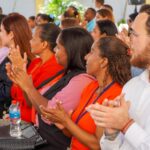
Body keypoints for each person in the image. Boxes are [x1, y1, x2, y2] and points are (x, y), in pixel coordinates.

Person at [7, 27, 94, 150]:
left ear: (71, 51)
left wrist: (28, 86)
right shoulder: (67, 73)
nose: (54, 50)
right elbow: (31, 101)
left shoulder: (81, 79)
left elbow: (49, 112)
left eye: (58, 47)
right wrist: (23, 82)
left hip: (52, 143)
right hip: (40, 134)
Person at [39, 36, 131, 150]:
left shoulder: (115, 96)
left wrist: (67, 122)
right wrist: (62, 123)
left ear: (104, 61)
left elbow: (99, 145)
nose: (85, 57)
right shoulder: (91, 86)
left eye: (91, 52)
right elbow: (73, 133)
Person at [87, 10, 150, 150]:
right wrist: (111, 133)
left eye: (134, 34)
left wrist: (126, 124)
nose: (128, 40)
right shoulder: (132, 86)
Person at [9, 23, 63, 123]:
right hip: (18, 115)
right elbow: (14, 94)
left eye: (33, 39)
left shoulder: (54, 67)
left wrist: (21, 73)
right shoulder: (36, 63)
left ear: (44, 44)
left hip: (33, 123)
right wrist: (17, 77)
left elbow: (31, 102)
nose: (29, 42)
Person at [0, 13, 34, 117]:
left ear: (11, 35)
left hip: (14, 114)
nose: (0, 34)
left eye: (1, 31)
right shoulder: (23, 54)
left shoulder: (15, 58)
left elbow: (7, 92)